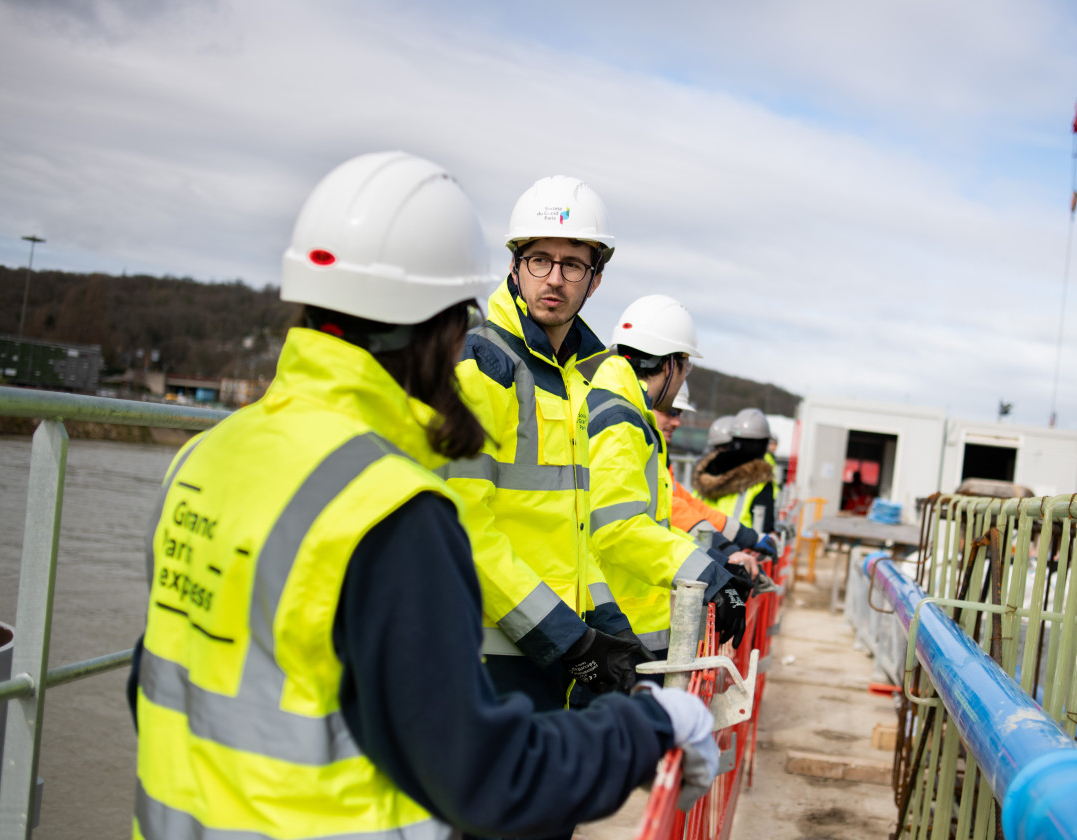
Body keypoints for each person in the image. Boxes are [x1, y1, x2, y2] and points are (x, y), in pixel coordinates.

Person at [126, 152, 717, 840]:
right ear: (447, 318)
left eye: (573, 264)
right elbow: (491, 775)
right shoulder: (388, 508)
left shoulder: (201, 460)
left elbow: (162, 687)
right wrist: (651, 725)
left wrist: (596, 630)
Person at [437, 176, 648, 712]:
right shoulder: (482, 366)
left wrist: (610, 630)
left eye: (572, 264)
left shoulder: (575, 379)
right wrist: (567, 638)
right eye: (539, 260)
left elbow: (573, 535)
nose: (553, 279)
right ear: (514, 266)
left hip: (545, 646)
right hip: (489, 651)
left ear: (594, 280)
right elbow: (462, 527)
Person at [582, 295, 754, 655]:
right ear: (672, 364)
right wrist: (710, 577)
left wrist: (717, 565)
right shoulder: (619, 420)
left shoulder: (618, 411)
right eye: (686, 369)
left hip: (621, 624)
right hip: (617, 628)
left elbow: (654, 525)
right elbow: (618, 529)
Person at [657, 384, 776, 576]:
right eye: (671, 412)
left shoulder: (663, 459)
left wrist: (743, 538)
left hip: (711, 551)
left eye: (679, 414)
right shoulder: (638, 452)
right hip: (708, 554)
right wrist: (727, 550)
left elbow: (690, 506)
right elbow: (675, 509)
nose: (678, 422)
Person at [693, 407, 777, 535]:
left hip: (697, 546)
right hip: (738, 550)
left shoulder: (704, 475)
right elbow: (766, 528)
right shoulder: (759, 483)